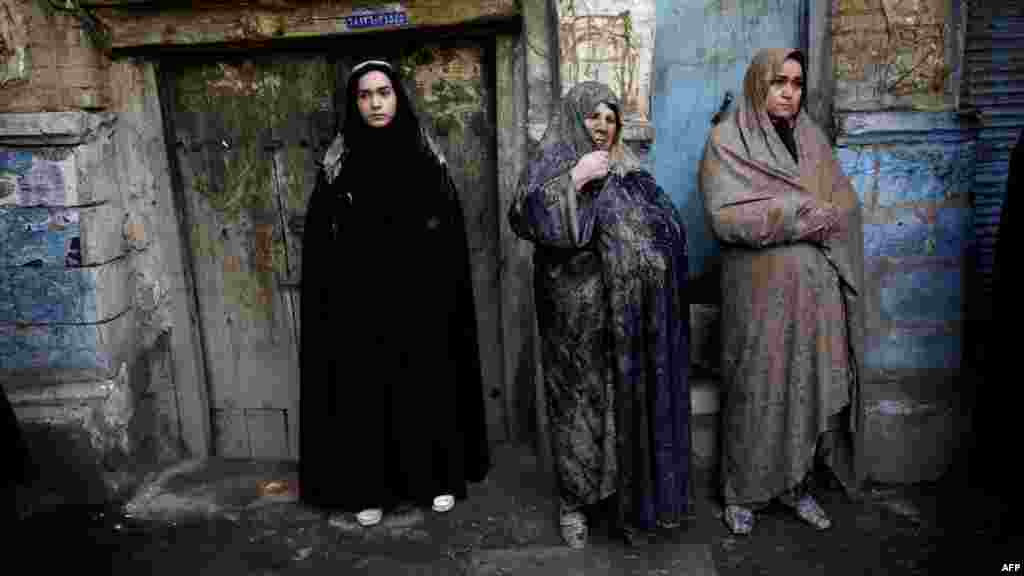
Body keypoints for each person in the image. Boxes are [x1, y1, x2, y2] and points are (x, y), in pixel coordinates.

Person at [298, 59, 490, 527]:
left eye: (383, 92)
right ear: (354, 102)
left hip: (420, 303)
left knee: (425, 388)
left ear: (398, 96)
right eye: (365, 95)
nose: (376, 102)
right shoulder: (337, 165)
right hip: (360, 308)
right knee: (366, 397)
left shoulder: (425, 158)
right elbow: (323, 242)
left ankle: (435, 480)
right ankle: (370, 489)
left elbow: (447, 232)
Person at [509, 81, 692, 547]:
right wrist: (576, 179)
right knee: (576, 414)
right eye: (594, 116)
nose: (602, 127)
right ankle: (574, 506)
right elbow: (524, 217)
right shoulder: (552, 163)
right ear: (575, 117)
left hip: (626, 319)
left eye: (611, 119)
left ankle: (622, 504)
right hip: (572, 323)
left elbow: (666, 227)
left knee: (621, 408)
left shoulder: (630, 170)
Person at [699, 48, 865, 535]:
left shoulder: (812, 139)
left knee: (806, 386)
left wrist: (820, 214)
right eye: (779, 83)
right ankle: (741, 492)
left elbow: (844, 204)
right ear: (759, 85)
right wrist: (796, 214)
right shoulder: (726, 141)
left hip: (815, 299)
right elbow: (724, 216)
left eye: (796, 83)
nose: (790, 93)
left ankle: (797, 486)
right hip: (756, 297)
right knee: (756, 389)